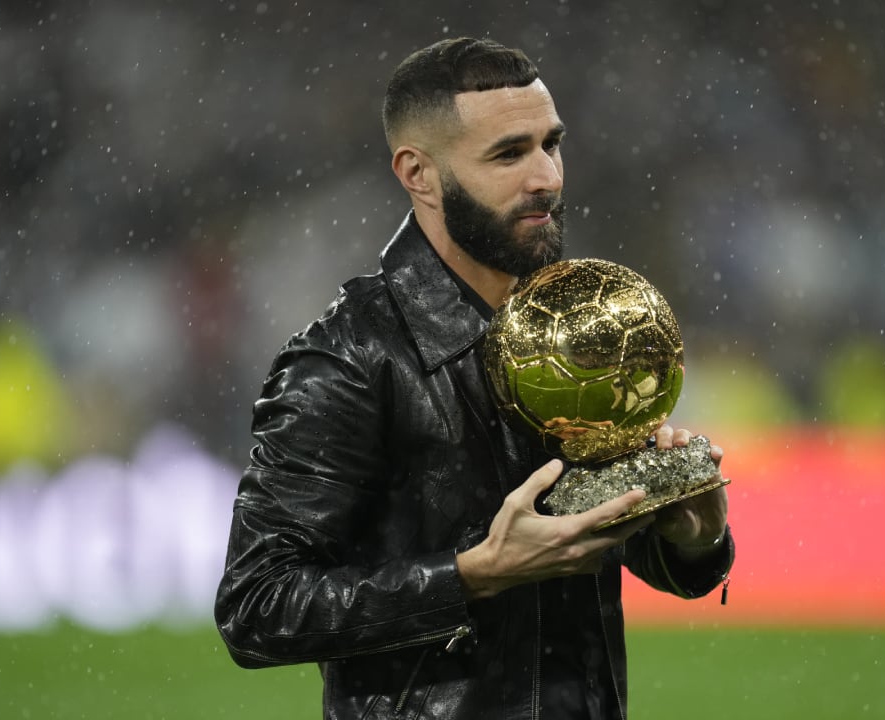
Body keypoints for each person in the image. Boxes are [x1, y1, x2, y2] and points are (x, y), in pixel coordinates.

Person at [214, 37, 734, 719]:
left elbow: (589, 552)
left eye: (552, 144)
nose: (546, 176)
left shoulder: (578, 326)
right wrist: (473, 576)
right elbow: (257, 606)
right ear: (419, 173)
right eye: (509, 154)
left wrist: (688, 542)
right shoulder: (348, 360)